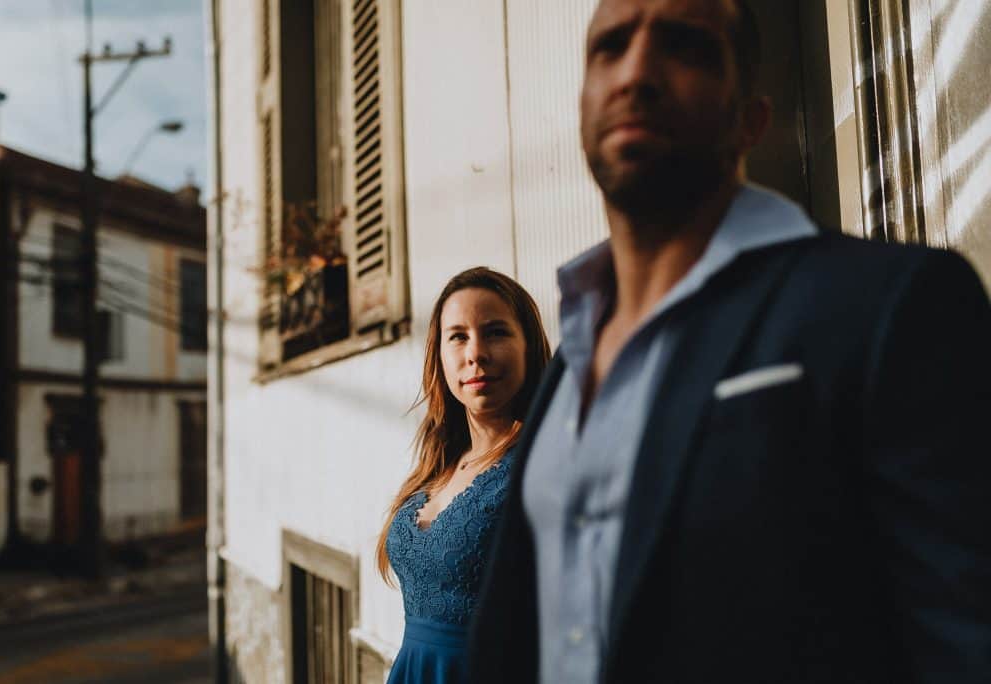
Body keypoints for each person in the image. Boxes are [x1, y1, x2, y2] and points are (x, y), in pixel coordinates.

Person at [467, 1, 991, 682]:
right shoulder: (573, 351)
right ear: (584, 105)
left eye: (685, 46)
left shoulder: (894, 305)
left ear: (752, 119)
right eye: (611, 47)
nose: (637, 73)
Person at [377, 267, 550, 683]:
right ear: (439, 353)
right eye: (458, 336)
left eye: (495, 332)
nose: (476, 353)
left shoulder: (546, 462)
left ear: (528, 346)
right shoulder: (438, 462)